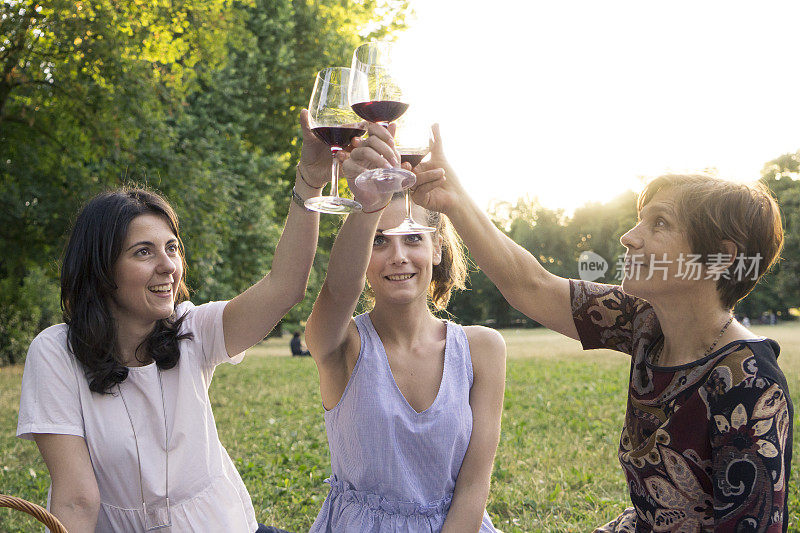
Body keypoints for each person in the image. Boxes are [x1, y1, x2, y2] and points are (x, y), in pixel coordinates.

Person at [383, 127, 791, 532]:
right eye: (639, 221)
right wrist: (452, 200)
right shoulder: (644, 321)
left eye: (660, 223)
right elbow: (532, 286)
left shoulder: (749, 382)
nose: (628, 238)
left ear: (720, 257)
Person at [16, 110, 334, 532]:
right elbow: (76, 498)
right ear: (100, 268)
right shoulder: (56, 352)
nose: (168, 265)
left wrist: (310, 182)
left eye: (172, 248)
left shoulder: (192, 330)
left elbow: (285, 287)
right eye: (143, 252)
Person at [303, 123, 506, 532]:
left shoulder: (483, 349)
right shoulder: (341, 344)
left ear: (436, 247)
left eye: (412, 238)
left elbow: (473, 487)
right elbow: (340, 292)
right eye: (379, 241)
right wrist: (367, 207)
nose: (398, 255)